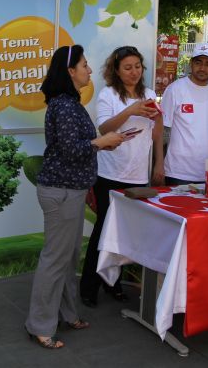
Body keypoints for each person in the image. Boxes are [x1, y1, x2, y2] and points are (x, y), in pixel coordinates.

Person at [25, 45, 127, 349]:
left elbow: (78, 144)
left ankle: (68, 315)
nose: (89, 70)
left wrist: (101, 144)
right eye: (84, 64)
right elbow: (71, 151)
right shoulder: (65, 105)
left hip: (70, 191)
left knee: (67, 259)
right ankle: (39, 325)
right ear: (70, 71)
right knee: (55, 261)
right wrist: (101, 141)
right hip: (62, 192)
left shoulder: (69, 103)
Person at [80, 46, 164, 307]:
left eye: (137, 66)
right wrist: (131, 111)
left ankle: (113, 284)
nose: (134, 72)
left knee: (128, 234)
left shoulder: (149, 95)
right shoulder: (108, 95)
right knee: (104, 231)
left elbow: (157, 132)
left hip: (138, 175)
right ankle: (88, 287)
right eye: (127, 68)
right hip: (110, 174)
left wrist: (159, 162)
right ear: (116, 70)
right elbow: (104, 128)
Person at [160, 42, 208, 185]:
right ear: (191, 63)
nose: (202, 68)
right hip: (178, 172)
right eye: (198, 62)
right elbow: (160, 128)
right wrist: (159, 164)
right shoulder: (175, 89)